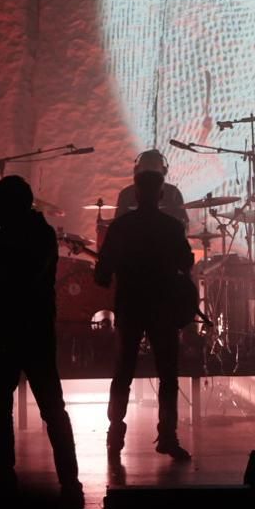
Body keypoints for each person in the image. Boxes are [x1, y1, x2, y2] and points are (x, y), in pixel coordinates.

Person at [0, 175, 81, 500]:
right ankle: (5, 475)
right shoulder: (9, 235)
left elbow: (24, 274)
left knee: (51, 408)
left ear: (12, 205)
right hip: (11, 332)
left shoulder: (41, 235)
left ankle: (69, 478)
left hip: (31, 333)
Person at [95, 168, 196, 463]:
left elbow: (102, 275)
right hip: (162, 307)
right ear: (161, 194)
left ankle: (115, 434)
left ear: (136, 194)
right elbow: (186, 262)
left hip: (130, 306)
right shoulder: (171, 227)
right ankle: (167, 437)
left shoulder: (121, 227)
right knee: (168, 375)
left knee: (123, 371)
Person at [113, 149, 189, 231]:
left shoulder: (174, 193)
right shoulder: (126, 194)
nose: (149, 174)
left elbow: (184, 223)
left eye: (153, 167)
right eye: (147, 168)